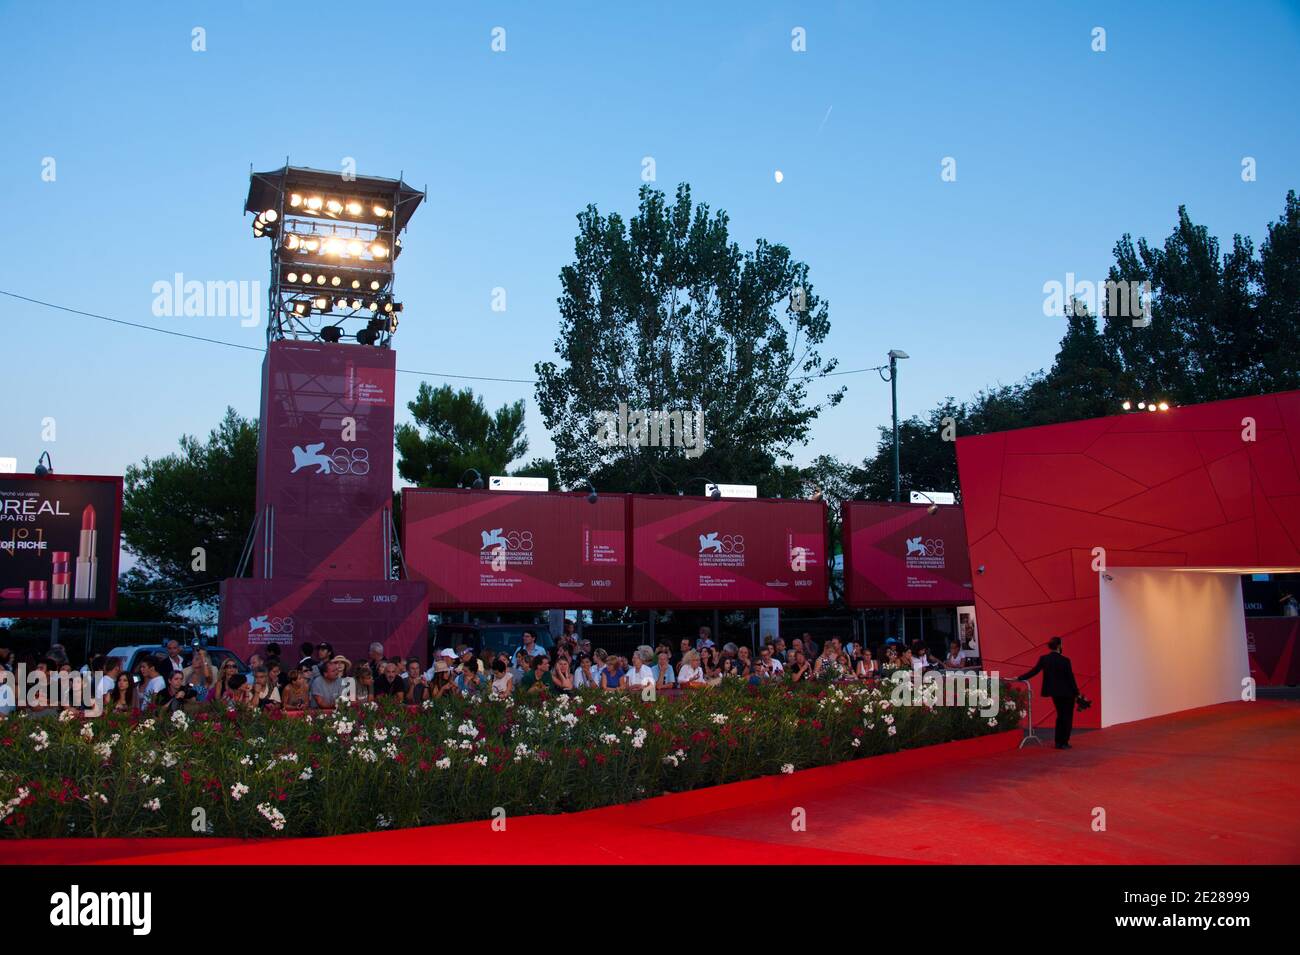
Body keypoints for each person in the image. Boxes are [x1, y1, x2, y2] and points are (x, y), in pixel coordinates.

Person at [1016, 636, 1081, 750]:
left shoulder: (1044, 659)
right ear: (1059, 646)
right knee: (1067, 717)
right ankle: (1064, 742)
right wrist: (1077, 693)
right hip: (1068, 693)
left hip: (1055, 693)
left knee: (1060, 716)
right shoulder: (1065, 660)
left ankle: (1058, 742)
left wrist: (1020, 677)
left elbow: (1034, 671)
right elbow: (1070, 679)